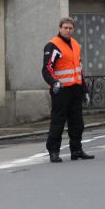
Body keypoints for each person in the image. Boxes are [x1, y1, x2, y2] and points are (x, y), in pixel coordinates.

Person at [42, 17, 95, 163]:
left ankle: (76, 150)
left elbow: (79, 69)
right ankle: (53, 151)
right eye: (65, 27)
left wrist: (85, 90)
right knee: (58, 122)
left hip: (75, 89)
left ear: (73, 29)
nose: (68, 30)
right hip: (61, 90)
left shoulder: (76, 45)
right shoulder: (53, 45)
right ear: (60, 28)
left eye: (70, 28)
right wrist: (54, 83)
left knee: (77, 123)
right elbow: (47, 69)